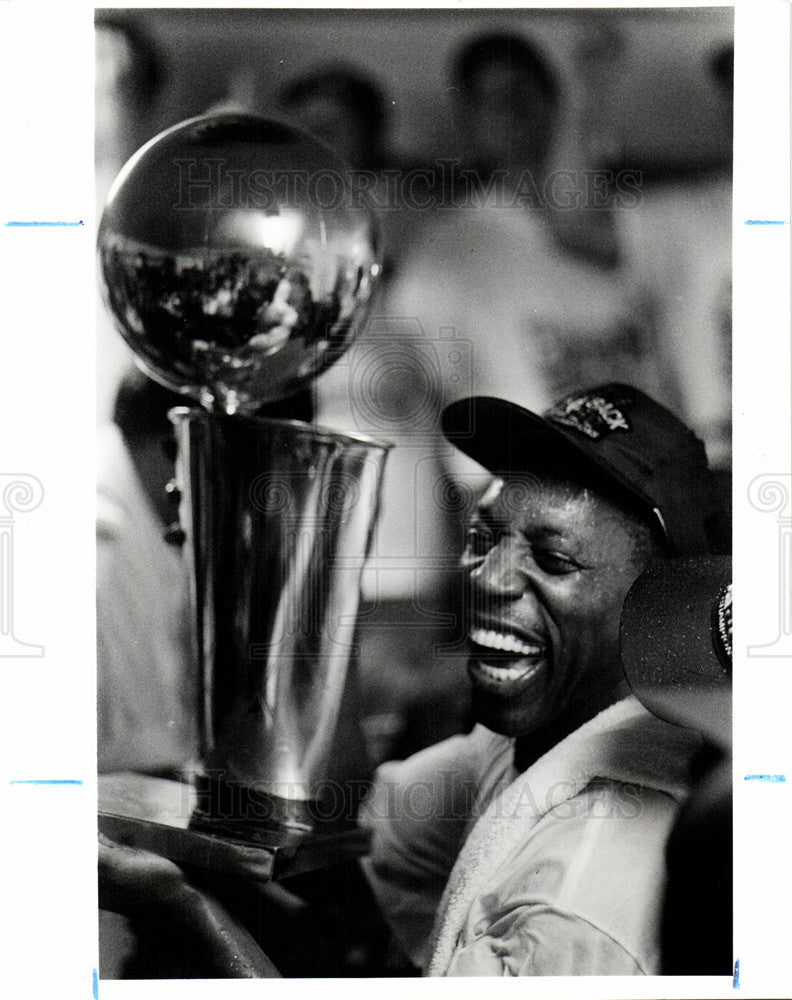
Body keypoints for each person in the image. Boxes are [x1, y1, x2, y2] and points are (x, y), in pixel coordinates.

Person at [360, 383, 723, 976]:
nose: (489, 579)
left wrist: (182, 911)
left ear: (660, 608)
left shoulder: (575, 907)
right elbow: (363, 839)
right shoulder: (539, 741)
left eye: (553, 560)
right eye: (482, 540)